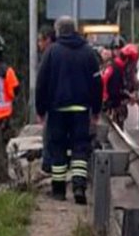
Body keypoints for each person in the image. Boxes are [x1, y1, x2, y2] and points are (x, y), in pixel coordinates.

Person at [36, 16, 103, 204]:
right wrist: (96, 110)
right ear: (74, 30)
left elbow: (42, 83)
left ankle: (58, 190)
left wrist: (41, 110)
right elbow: (97, 84)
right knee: (80, 148)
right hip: (81, 109)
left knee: (57, 148)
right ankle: (79, 187)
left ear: (58, 32)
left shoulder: (52, 53)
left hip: (57, 109)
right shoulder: (88, 52)